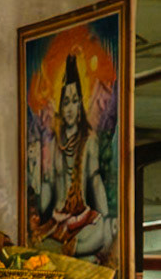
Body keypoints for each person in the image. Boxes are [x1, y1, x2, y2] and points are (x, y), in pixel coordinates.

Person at [28, 53, 114, 260]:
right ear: (60, 106)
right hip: (59, 220)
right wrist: (41, 213)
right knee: (40, 243)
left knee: (103, 232)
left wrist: (106, 215)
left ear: (81, 106)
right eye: (65, 102)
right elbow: (50, 182)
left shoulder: (88, 139)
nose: (69, 108)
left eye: (75, 101)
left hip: (82, 217)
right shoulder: (56, 142)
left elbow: (94, 180)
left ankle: (72, 251)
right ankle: (73, 251)